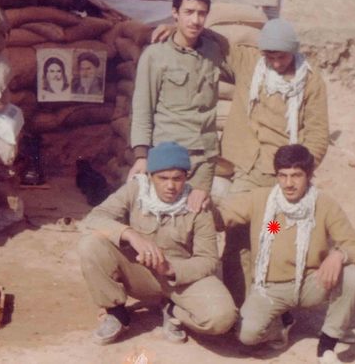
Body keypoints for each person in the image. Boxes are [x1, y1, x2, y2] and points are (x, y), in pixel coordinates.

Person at [216, 144, 355, 363]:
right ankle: (281, 325)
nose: (289, 183)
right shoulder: (261, 199)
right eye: (283, 175)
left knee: (351, 274)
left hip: (310, 282)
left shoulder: (324, 204)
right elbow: (222, 217)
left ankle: (327, 345)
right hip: (270, 288)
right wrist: (202, 205)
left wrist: (338, 255)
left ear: (309, 175)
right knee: (246, 335)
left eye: (296, 175)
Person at [78, 141, 237, 345]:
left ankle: (174, 310)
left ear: (186, 177)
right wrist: (130, 234)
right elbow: (95, 218)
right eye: (163, 178)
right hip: (139, 273)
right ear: (150, 176)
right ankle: (116, 313)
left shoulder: (198, 204)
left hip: (181, 280)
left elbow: (208, 260)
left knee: (222, 318)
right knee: (91, 244)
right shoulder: (135, 190)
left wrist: (170, 269)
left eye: (177, 178)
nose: (170, 186)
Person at [219, 18, 329, 308]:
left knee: (271, 236)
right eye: (270, 56)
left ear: (293, 51)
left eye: (282, 57)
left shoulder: (310, 82)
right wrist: (174, 29)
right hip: (246, 170)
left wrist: (297, 174)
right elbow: (213, 43)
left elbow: (318, 135)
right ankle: (237, 306)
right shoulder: (249, 63)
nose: (276, 63)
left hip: (280, 177)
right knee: (237, 239)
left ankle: (271, 307)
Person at [128, 0, 233, 212]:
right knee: (162, 219)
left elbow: (240, 67)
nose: (195, 20)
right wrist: (141, 156)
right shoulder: (155, 55)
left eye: (202, 13)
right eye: (189, 12)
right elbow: (143, 109)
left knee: (198, 218)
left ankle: (270, 230)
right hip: (169, 158)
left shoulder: (213, 52)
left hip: (204, 159)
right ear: (174, 13)